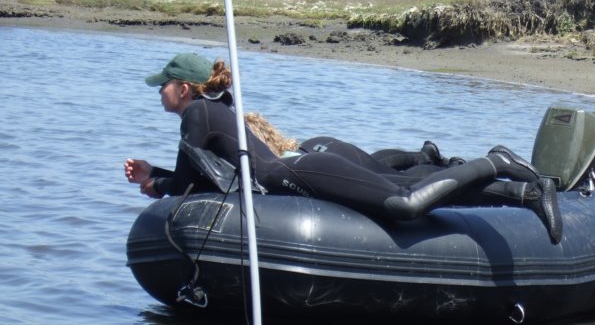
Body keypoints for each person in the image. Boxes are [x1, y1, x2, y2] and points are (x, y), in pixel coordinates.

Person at [124, 53, 562, 242]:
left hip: (299, 173)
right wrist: (154, 176)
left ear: (184, 88)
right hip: (292, 177)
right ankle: (523, 194)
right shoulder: (212, 108)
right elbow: (206, 177)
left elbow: (186, 183)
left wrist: (156, 183)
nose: (159, 91)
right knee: (409, 192)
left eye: (164, 85)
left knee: (405, 203)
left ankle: (496, 161)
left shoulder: (197, 115)